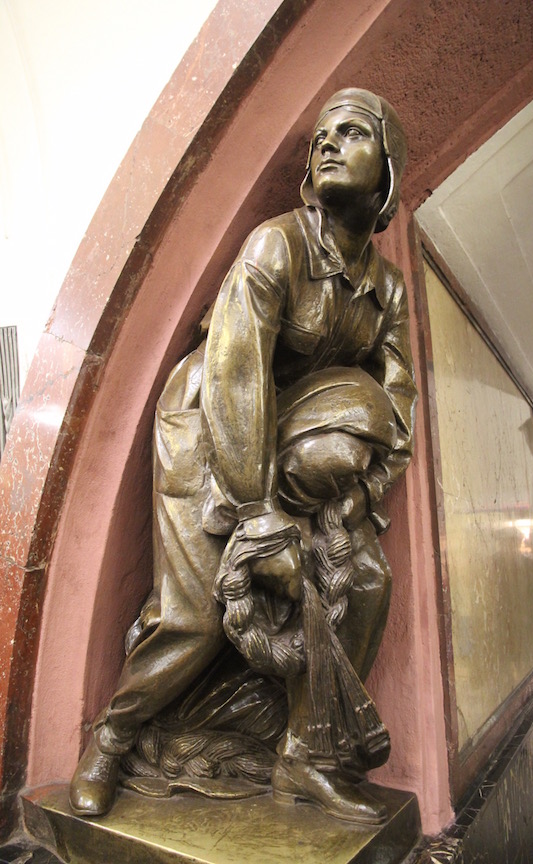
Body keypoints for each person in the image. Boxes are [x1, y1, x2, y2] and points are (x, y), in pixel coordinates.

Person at [70, 88, 417, 825]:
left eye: (352, 133)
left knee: (366, 577)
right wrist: (259, 521)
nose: (327, 144)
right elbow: (234, 376)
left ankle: (305, 758)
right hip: (208, 431)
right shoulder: (275, 246)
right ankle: (112, 737)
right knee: (196, 620)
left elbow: (396, 404)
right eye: (320, 136)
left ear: (388, 169)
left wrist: (363, 493)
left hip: (293, 436)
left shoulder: (385, 290)